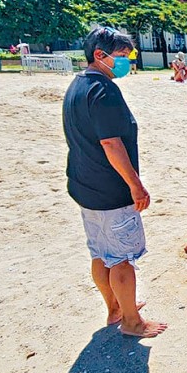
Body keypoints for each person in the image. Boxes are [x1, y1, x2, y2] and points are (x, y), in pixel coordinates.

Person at [61, 26, 167, 338]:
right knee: (122, 258)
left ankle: (114, 307)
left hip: (85, 185)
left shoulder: (77, 85)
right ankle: (132, 322)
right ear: (99, 55)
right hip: (110, 189)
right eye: (121, 57)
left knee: (100, 252)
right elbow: (111, 144)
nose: (127, 63)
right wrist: (135, 185)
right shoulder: (103, 90)